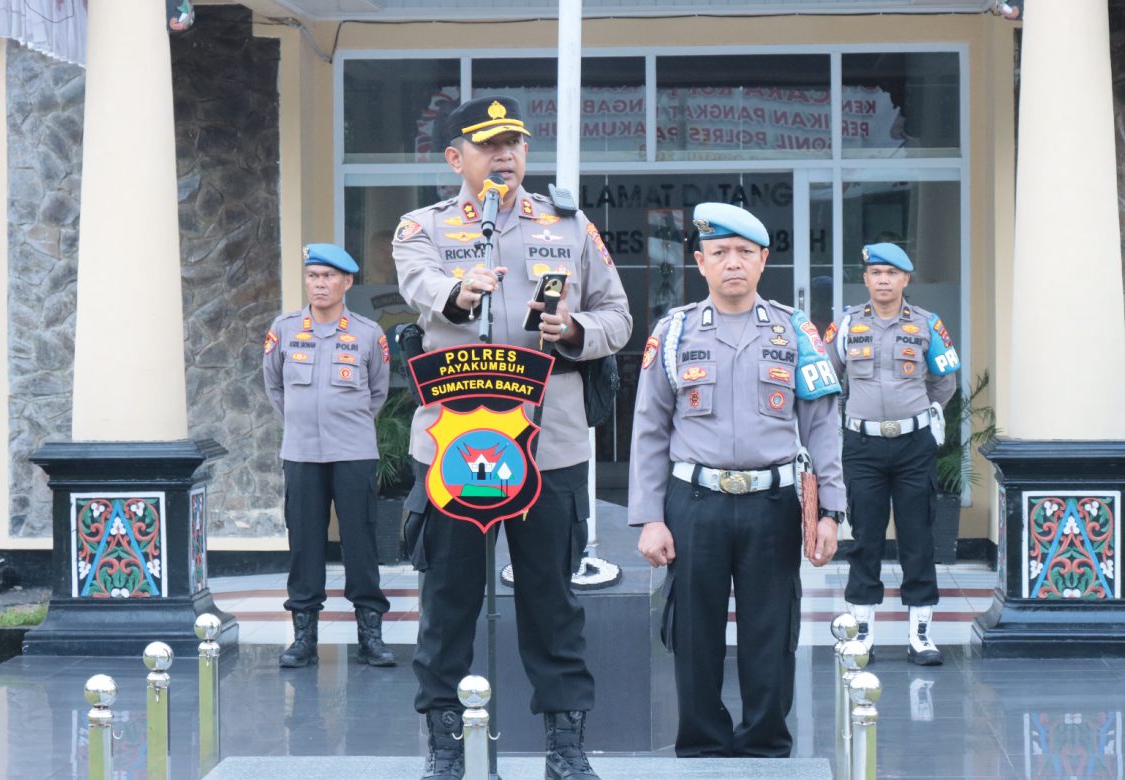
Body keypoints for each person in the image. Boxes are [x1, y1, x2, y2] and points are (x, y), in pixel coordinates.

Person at [392, 95, 632, 780]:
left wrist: (578, 330)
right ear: (455, 158)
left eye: (514, 144)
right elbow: (421, 284)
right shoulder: (423, 227)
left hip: (549, 443)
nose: (504, 156)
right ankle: (445, 747)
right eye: (488, 145)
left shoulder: (570, 225)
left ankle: (566, 747)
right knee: (448, 602)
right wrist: (460, 291)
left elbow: (617, 316)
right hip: (458, 443)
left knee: (552, 602)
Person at [629, 202, 845, 758]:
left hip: (772, 503)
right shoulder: (673, 332)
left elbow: (822, 426)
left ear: (763, 260)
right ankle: (702, 745)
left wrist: (830, 511)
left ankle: (765, 745)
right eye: (720, 252)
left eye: (744, 252)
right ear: (700, 262)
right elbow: (649, 428)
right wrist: (650, 518)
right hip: (694, 501)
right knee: (693, 631)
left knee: (771, 630)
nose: (732, 262)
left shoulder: (795, 331)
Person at [825, 242, 960, 665]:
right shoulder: (846, 324)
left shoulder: (927, 324)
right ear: (865, 279)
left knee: (918, 537)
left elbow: (945, 380)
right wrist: (844, 416)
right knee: (864, 538)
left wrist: (921, 413)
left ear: (905, 279)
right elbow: (827, 378)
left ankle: (920, 635)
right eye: (876, 273)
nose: (883, 280)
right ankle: (862, 632)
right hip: (862, 446)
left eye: (891, 273)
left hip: (913, 445)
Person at [262, 243, 396, 669]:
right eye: (313, 276)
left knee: (361, 542)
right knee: (304, 543)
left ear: (347, 282)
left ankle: (370, 637)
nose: (319, 284)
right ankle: (304, 638)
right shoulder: (284, 329)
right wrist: (301, 421)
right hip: (301, 452)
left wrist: (345, 421)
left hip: (354, 451)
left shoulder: (368, 333)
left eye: (328, 277)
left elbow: (377, 390)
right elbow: (274, 386)